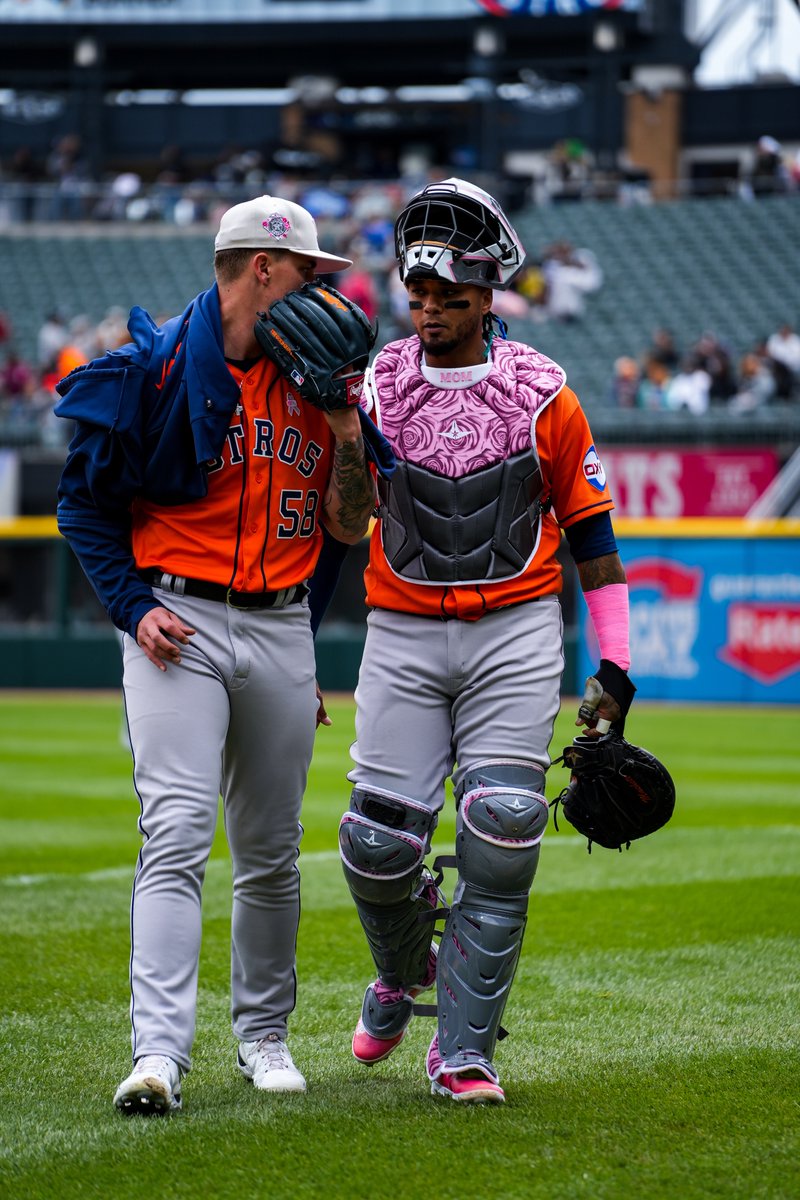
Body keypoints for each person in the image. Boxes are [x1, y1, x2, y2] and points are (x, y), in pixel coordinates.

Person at [55, 194, 385, 1116]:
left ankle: (264, 1036)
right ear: (262, 270)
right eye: (312, 276)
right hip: (178, 621)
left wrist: (349, 426)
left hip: (280, 626)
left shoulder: (323, 387)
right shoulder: (155, 369)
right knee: (176, 834)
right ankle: (158, 1052)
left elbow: (351, 528)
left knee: (272, 852)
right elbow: (82, 504)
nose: (326, 295)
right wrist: (130, 607)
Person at [330, 178, 634, 1105]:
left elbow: (595, 542)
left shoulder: (546, 392)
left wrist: (615, 668)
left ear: (488, 290)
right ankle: (401, 972)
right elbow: (345, 522)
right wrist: (344, 430)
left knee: (503, 830)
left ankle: (462, 1053)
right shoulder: (372, 386)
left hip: (515, 629)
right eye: (418, 295)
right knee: (377, 846)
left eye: (449, 296)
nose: (429, 311)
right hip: (403, 629)